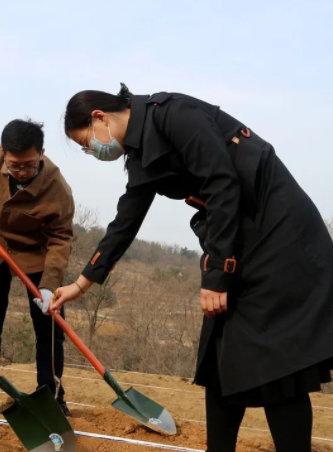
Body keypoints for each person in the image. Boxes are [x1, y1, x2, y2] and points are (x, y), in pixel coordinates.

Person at [51, 84, 333, 452]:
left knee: (278, 364)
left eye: (87, 142)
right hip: (240, 237)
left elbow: (223, 183)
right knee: (220, 355)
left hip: (280, 236)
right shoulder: (139, 153)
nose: (93, 151)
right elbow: (128, 217)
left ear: (99, 117)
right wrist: (82, 283)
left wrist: (217, 273)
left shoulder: (175, 115)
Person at [0, 119, 75, 417]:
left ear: (41, 154)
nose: (21, 171)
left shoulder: (57, 188)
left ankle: (51, 396)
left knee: (49, 329)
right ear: (4, 155)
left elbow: (61, 238)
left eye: (29, 165)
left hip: (37, 256)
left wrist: (49, 284)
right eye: (14, 165)